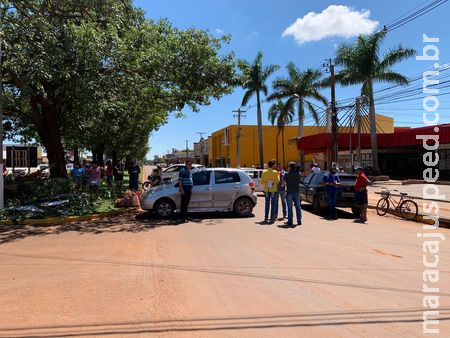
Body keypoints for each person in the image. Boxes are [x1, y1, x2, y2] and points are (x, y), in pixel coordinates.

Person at [280, 162, 302, 228]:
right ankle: (299, 220)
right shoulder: (298, 174)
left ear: (290, 167)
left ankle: (290, 221)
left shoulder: (286, 174)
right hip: (296, 192)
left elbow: (282, 183)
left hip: (289, 192)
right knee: (298, 207)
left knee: (290, 207)